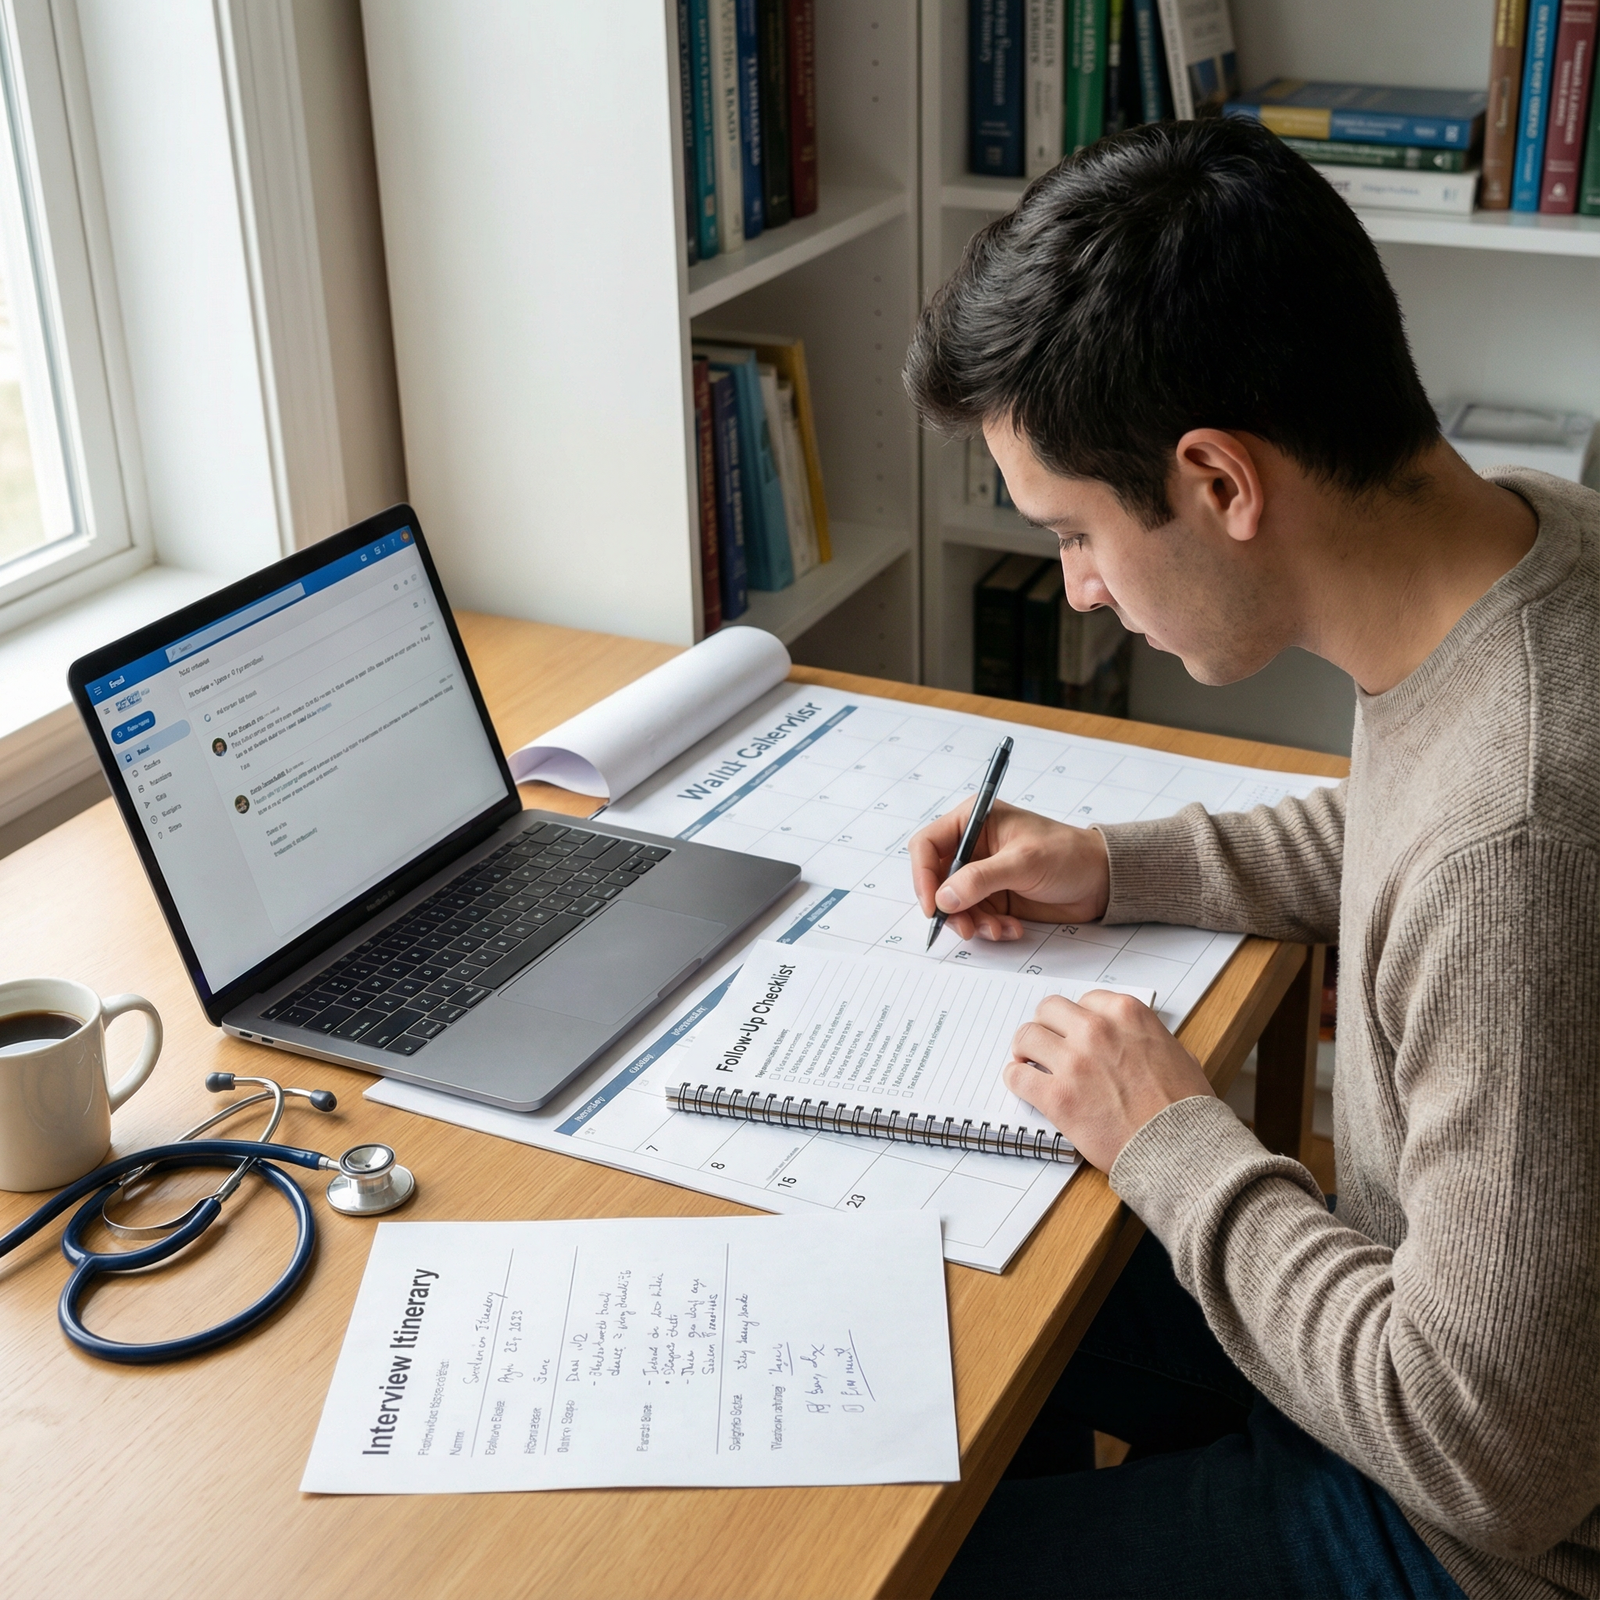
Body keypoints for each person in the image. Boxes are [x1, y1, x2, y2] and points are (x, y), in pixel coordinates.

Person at [905, 117, 1600, 1599]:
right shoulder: (1527, 556)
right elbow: (1413, 837)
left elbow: (1495, 1459)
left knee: (919, 1563)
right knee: (977, 1291)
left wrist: (1175, 1136)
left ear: (1220, 481)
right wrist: (1115, 862)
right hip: (1442, 1356)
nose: (1081, 596)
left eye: (1076, 535)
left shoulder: (1525, 850)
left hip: (1469, 1536)